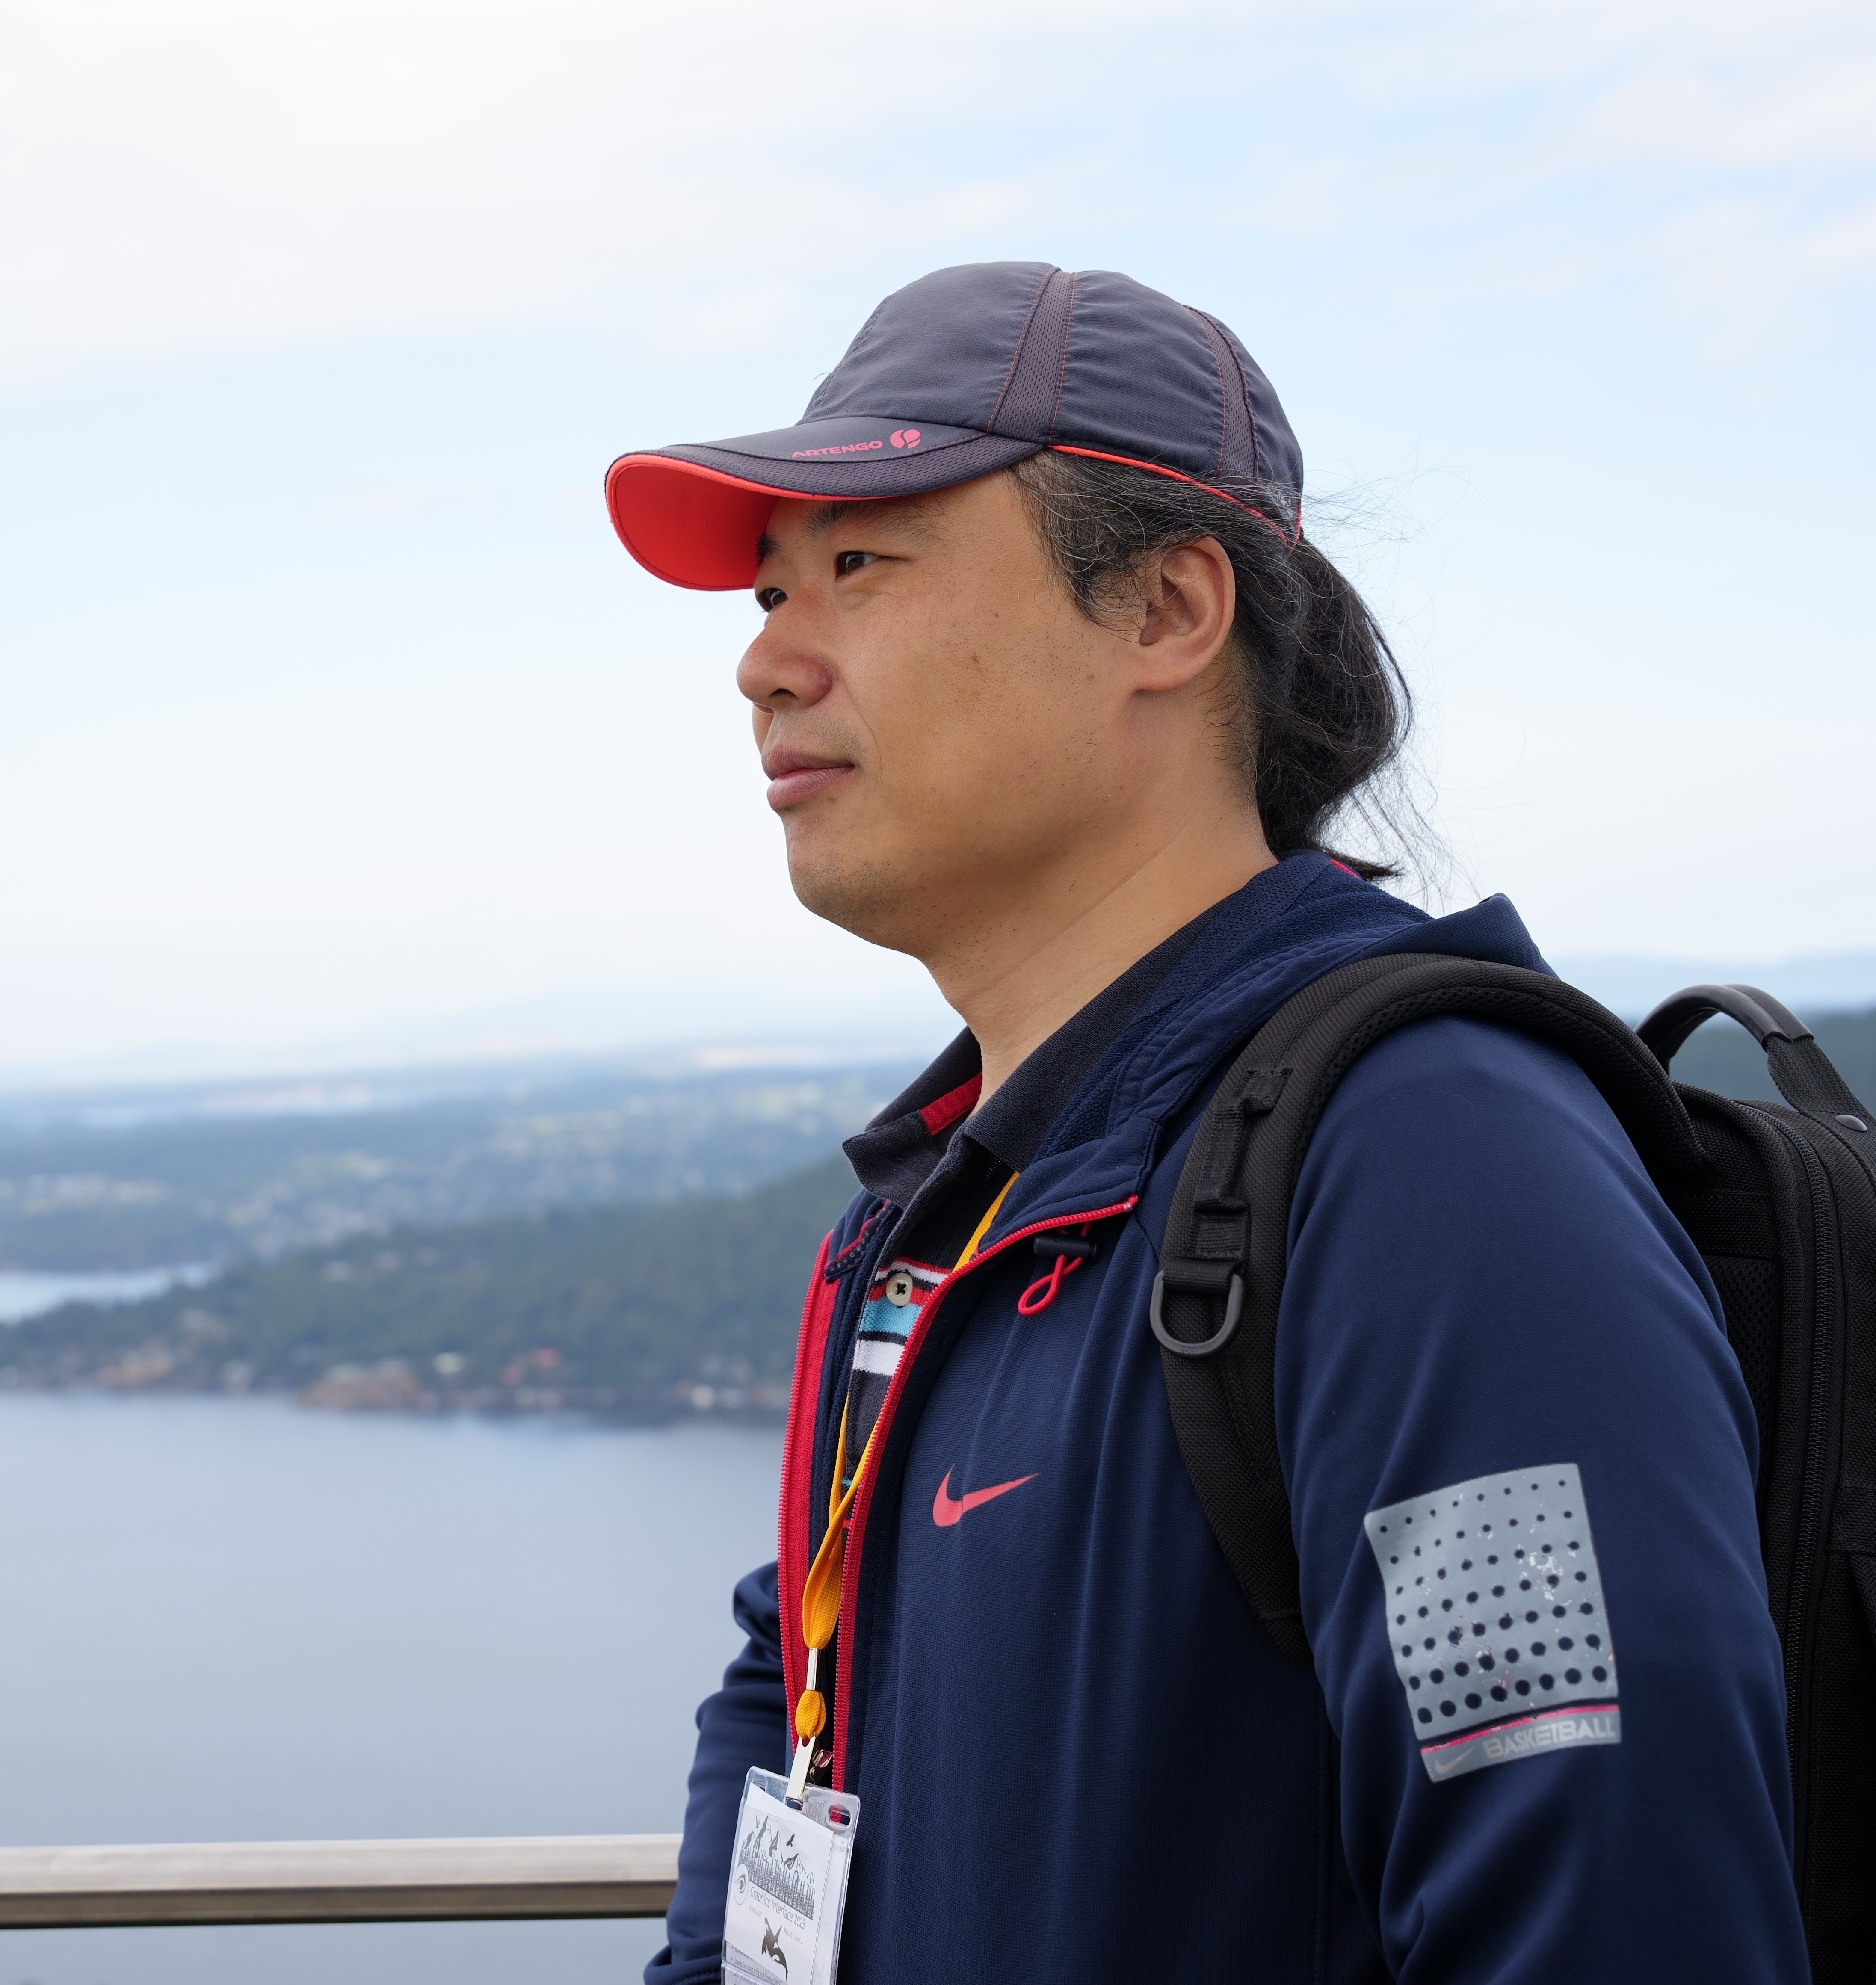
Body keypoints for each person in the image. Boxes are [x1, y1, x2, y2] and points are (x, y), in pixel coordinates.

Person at [601, 263, 1806, 1983]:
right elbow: (791, 1674)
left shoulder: (1434, 1164)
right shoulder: (935, 1208)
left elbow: (1605, 1897)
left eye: (859, 567)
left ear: (1169, 610)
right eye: (774, 585)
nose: (765, 662)